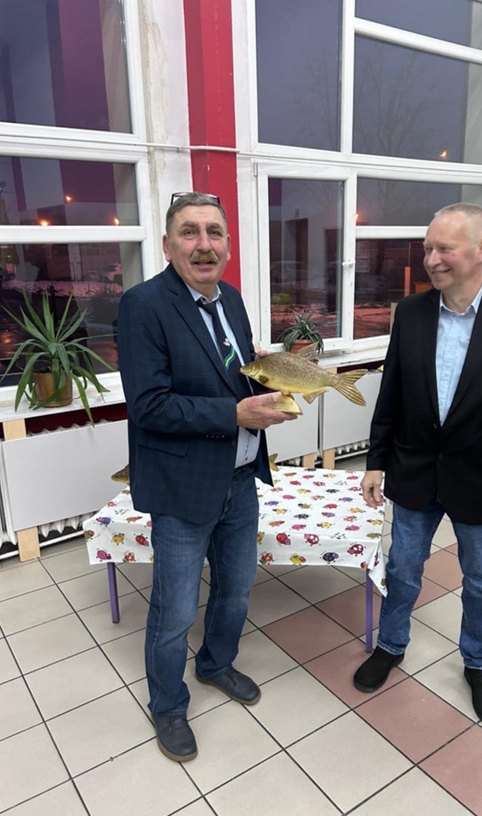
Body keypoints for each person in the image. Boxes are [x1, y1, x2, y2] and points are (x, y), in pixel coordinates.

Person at [354, 203, 482, 725]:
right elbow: (392, 392)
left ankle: (478, 663)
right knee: (402, 568)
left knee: (481, 579)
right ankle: (391, 645)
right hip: (415, 470)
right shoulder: (412, 312)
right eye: (428, 248)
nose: (432, 259)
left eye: (444, 248)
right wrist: (376, 460)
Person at [118, 192, 295, 761]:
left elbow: (235, 375)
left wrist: (280, 382)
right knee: (174, 611)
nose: (204, 244)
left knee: (236, 591)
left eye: (214, 232)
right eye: (190, 232)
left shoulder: (233, 300)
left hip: (240, 479)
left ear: (228, 245)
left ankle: (216, 664)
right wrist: (234, 414)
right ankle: (168, 705)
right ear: (168, 245)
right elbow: (148, 405)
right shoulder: (144, 305)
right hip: (183, 488)